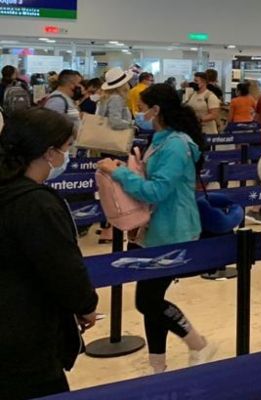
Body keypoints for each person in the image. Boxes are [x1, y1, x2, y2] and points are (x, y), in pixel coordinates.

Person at [96, 83, 216, 374]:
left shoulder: (176, 145)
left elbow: (157, 191)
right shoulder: (161, 139)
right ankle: (157, 364)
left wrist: (120, 173)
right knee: (151, 301)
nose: (139, 114)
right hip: (153, 230)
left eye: (142, 108)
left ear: (156, 110)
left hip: (172, 229)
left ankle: (199, 343)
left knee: (147, 300)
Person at [0, 108, 99, 399]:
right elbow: (62, 267)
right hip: (27, 333)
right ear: (49, 152)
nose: (67, 156)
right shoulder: (37, 203)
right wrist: (85, 305)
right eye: (67, 148)